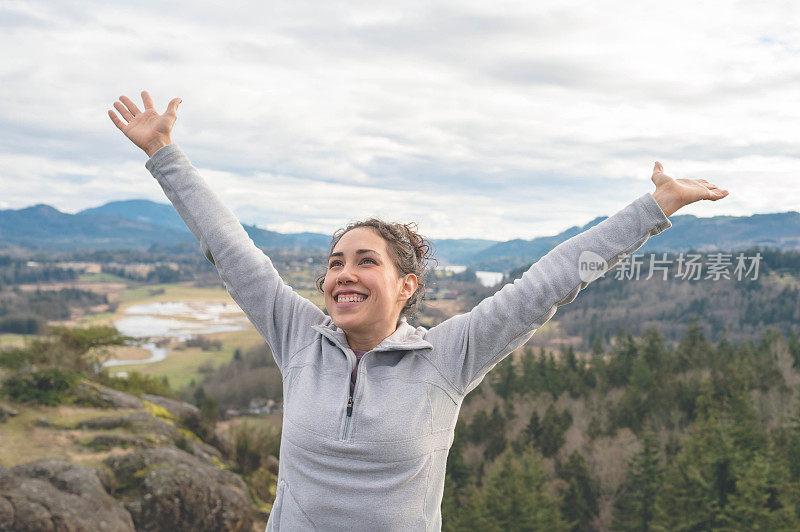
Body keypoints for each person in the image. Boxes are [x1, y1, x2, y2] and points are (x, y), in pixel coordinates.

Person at [109, 91, 729, 531]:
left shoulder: (448, 356)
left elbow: (550, 282)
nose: (343, 274)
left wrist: (654, 209)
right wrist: (164, 154)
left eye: (365, 261)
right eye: (335, 261)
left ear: (406, 285)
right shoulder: (297, 336)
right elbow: (232, 250)